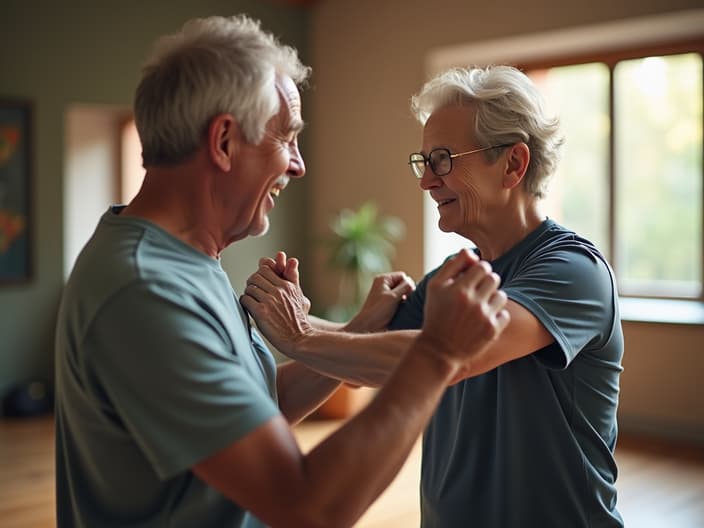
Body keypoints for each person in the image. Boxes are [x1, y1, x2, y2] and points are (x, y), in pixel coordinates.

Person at [53, 16, 511, 528]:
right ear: (224, 142)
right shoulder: (145, 289)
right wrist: (437, 354)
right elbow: (306, 506)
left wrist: (358, 331)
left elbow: (260, 407)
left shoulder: (185, 260)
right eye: (287, 137)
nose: (298, 165)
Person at [244, 65, 624, 527]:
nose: (426, 181)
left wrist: (301, 334)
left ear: (513, 164)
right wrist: (303, 316)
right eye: (423, 163)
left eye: (442, 159)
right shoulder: (452, 276)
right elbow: (377, 362)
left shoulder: (573, 272)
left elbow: (458, 356)